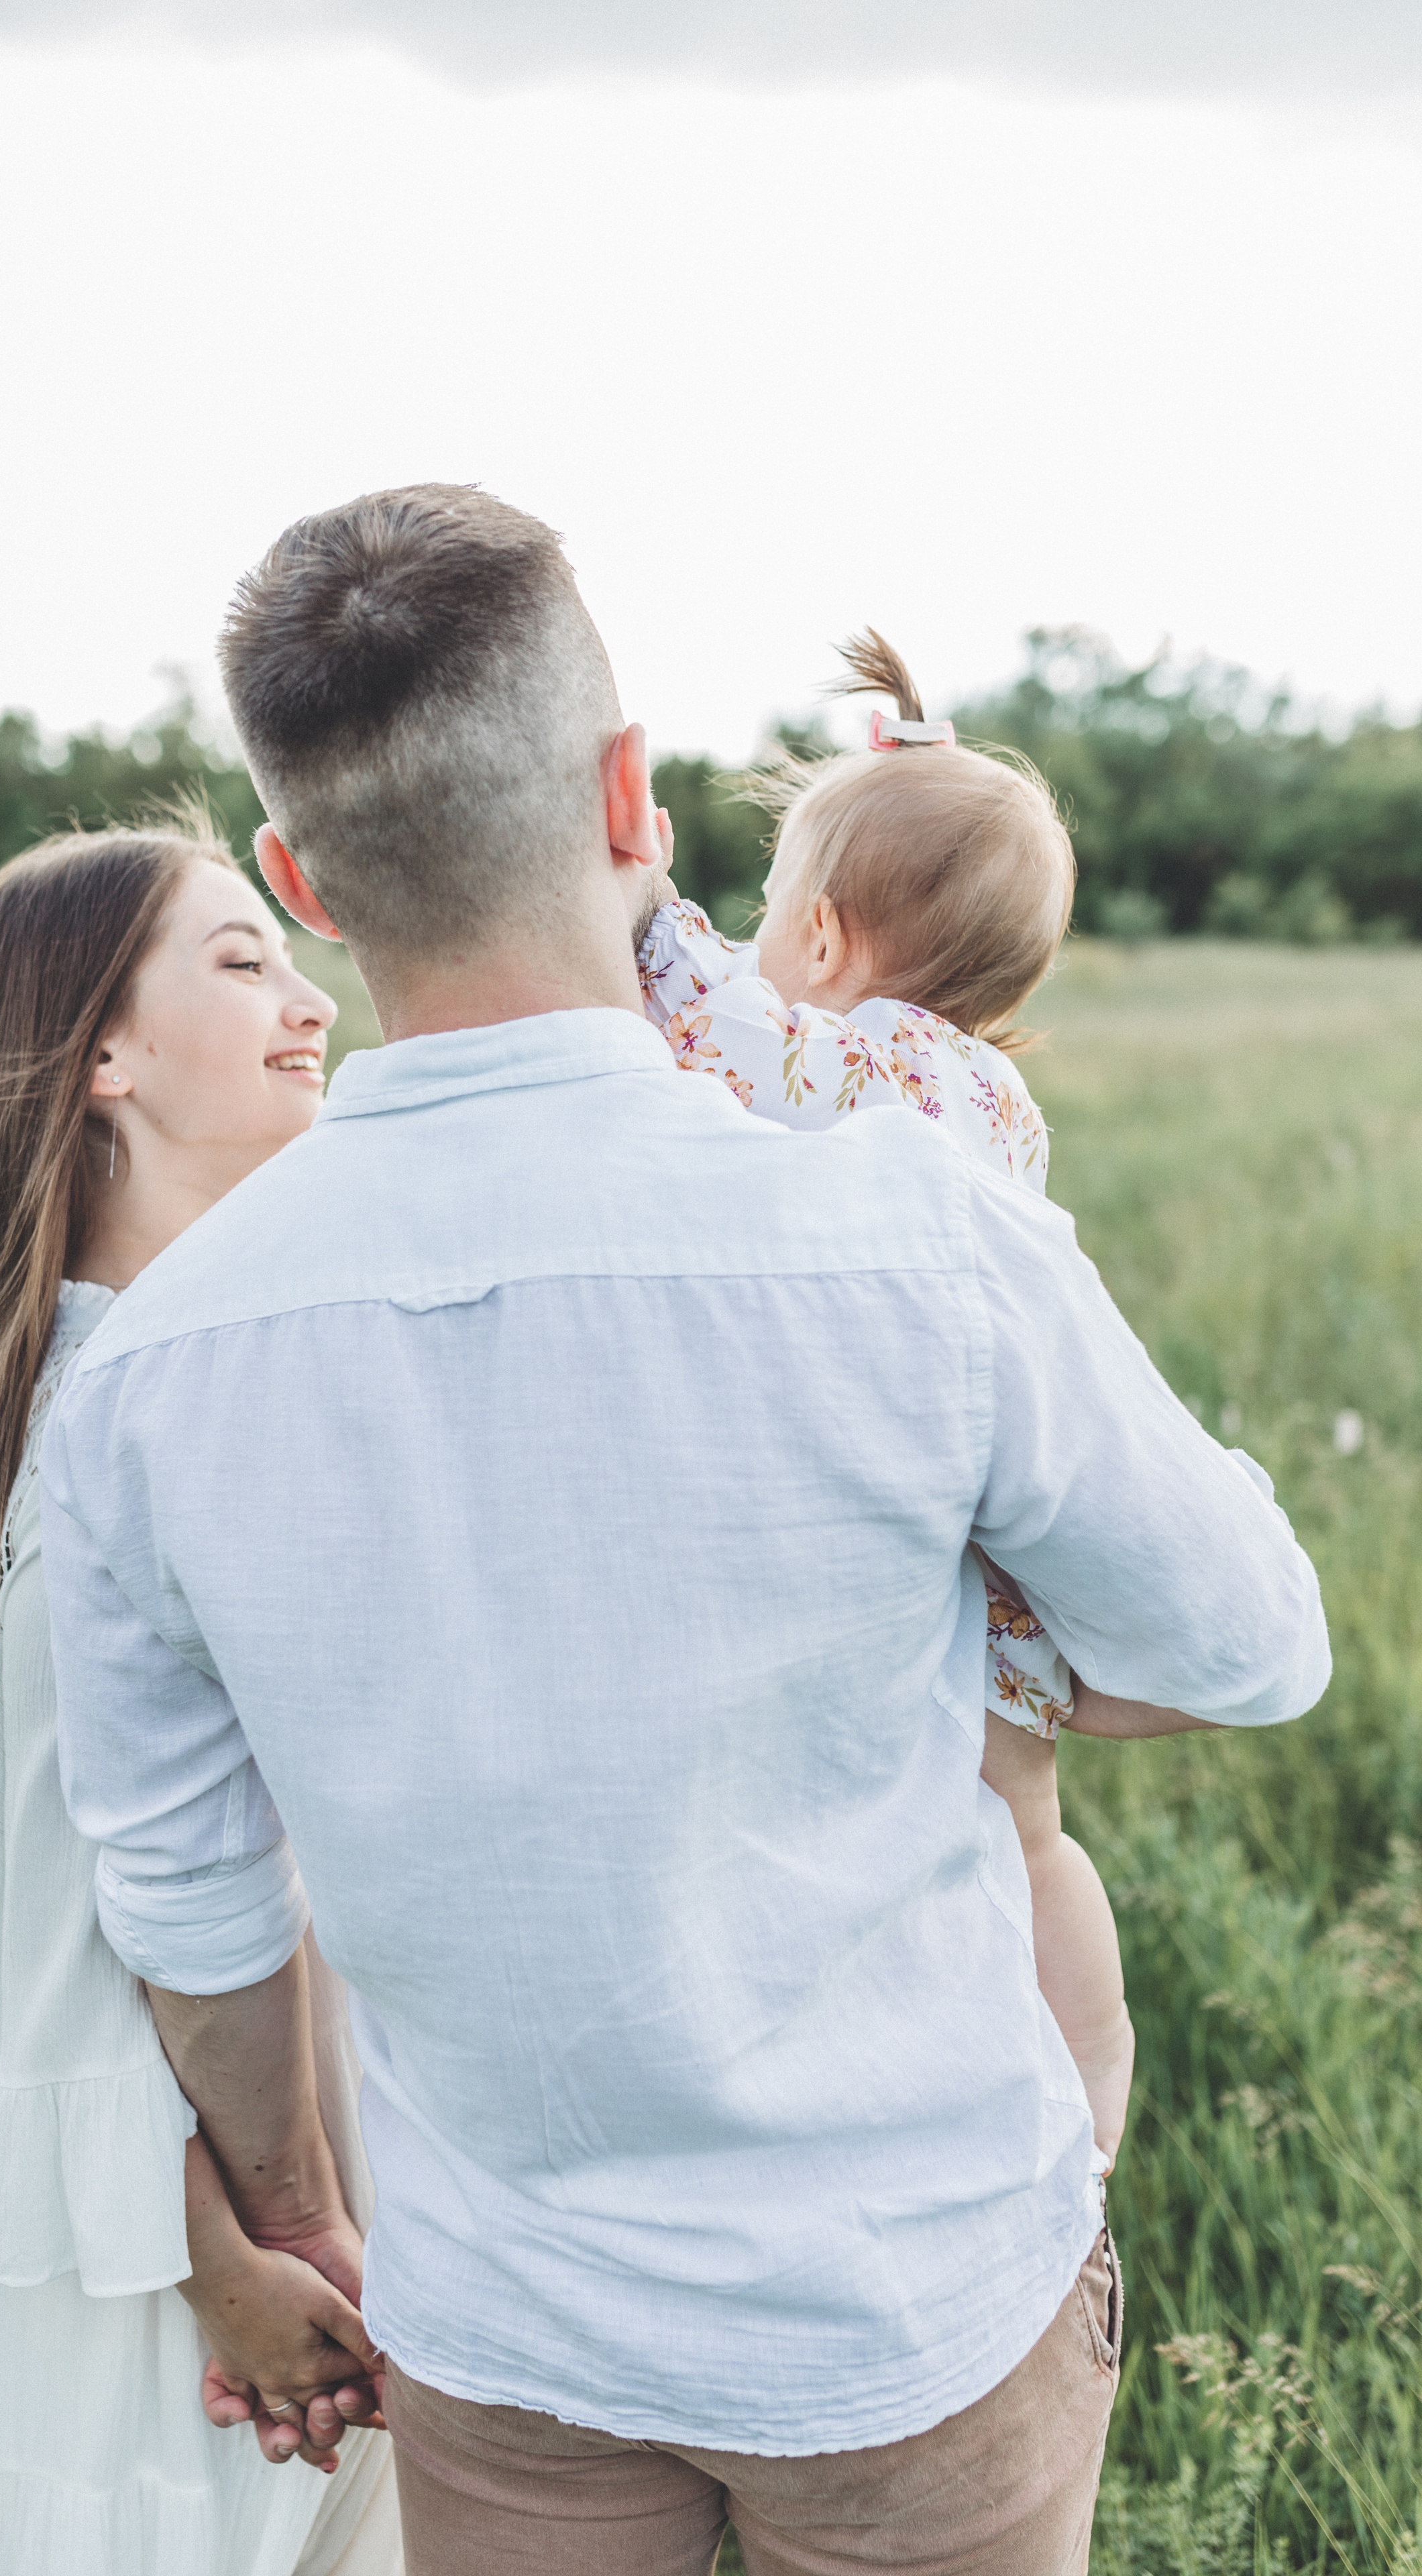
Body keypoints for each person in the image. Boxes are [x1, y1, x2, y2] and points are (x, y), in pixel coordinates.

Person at [42, 486, 1331, 2576]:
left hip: (503, 2328)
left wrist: (293, 2208)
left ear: (302, 881)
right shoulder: (915, 1230)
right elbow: (1253, 1646)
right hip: (912, 2302)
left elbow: (193, 1906)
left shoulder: (156, 1370)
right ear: (631, 798)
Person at [0, 824, 402, 2576]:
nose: (314, 1004)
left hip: (254, 2172)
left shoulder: (139, 1381)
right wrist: (220, 2260)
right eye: (245, 963)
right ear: (101, 1053)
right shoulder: (114, 1421)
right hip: (146, 2241)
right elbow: (73, 1925)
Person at [637, 626, 1138, 2165]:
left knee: (959, 1820)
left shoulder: (872, 1069)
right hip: (994, 1527)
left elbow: (711, 1023)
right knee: (1024, 1823)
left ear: (825, 941)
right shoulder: (991, 1091)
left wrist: (643, 910)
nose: (751, 946)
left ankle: (1038, 2079)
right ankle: (1089, 2070)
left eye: (768, 916)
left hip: (927, 1534)